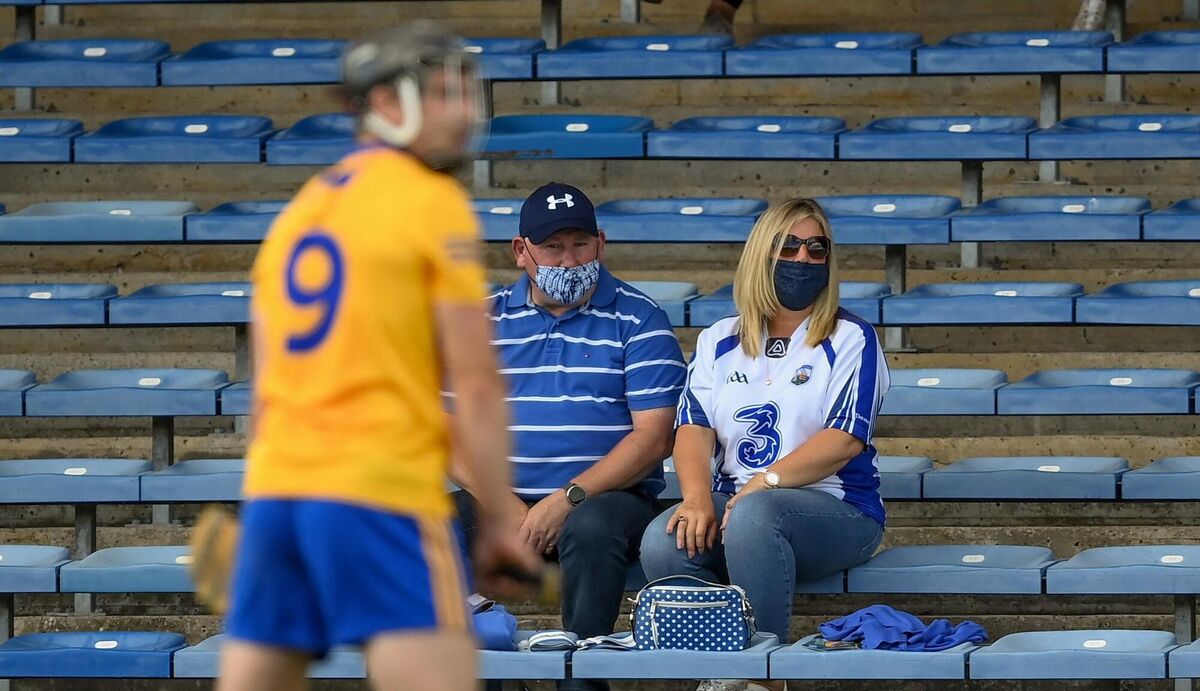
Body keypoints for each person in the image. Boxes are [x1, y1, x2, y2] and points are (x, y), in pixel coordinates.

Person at [217, 22, 539, 691]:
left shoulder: (298, 214)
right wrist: (505, 520)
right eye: (445, 94)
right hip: (380, 487)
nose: (464, 114)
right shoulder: (431, 202)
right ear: (389, 105)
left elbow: (266, 387)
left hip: (280, 490)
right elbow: (476, 384)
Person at [639, 199, 889, 691]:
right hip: (739, 505)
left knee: (755, 516)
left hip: (837, 508)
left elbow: (843, 440)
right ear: (760, 254)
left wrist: (763, 484)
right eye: (788, 246)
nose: (803, 259)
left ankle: (763, 678)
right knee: (664, 540)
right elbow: (693, 428)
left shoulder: (851, 336)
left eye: (817, 248)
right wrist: (693, 499)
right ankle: (715, 675)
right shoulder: (718, 339)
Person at [451, 181, 686, 691]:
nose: (569, 258)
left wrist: (567, 498)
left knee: (592, 526)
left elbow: (653, 438)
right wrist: (504, 503)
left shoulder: (640, 318)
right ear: (521, 251)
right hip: (501, 502)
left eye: (580, 244)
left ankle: (580, 683)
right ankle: (486, 675)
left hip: (606, 501)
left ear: (601, 243)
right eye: (553, 246)